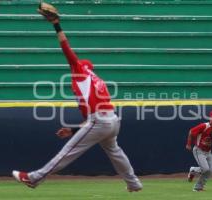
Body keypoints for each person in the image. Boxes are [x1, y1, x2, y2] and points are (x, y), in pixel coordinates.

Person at [12, 2, 142, 192]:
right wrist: (74, 130)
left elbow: (67, 50)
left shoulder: (80, 71)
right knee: (115, 152)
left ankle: (34, 178)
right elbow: (93, 116)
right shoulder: (96, 79)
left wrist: (56, 24)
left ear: (83, 65)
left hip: (100, 121)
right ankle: (133, 183)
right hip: (112, 120)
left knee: (68, 152)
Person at [185, 110, 212, 191]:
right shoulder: (204, 126)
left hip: (208, 152)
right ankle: (193, 170)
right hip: (199, 150)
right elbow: (191, 132)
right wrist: (188, 144)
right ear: (210, 118)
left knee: (209, 172)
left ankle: (198, 187)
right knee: (205, 169)